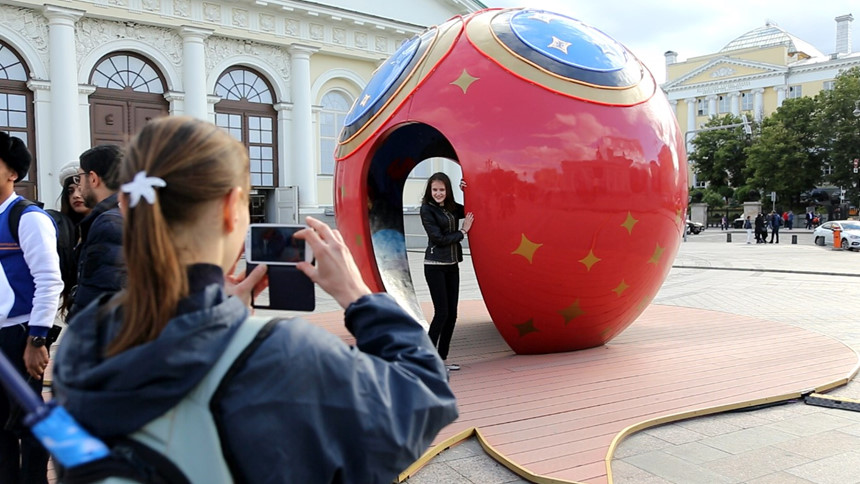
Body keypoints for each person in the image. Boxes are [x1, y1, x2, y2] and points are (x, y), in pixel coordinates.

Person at [53, 116, 457, 483]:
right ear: (232, 208)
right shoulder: (288, 354)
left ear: (126, 205)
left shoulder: (79, 343)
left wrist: (219, 313)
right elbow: (423, 395)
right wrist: (357, 296)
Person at [0, 132, 63, 484]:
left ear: (12, 173)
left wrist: (37, 339)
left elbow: (50, 281)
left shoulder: (27, 218)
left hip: (19, 334)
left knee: (28, 422)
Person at [420, 172, 474, 371]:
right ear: (430, 190)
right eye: (435, 190)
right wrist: (463, 232)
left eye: (442, 190)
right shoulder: (426, 209)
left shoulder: (450, 207)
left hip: (452, 266)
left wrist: (466, 191)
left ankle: (441, 359)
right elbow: (438, 239)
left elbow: (469, 209)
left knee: (452, 314)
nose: (438, 193)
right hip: (434, 266)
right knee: (441, 313)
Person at [68, 144, 125, 320]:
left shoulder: (108, 223)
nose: (78, 187)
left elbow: (102, 294)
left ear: (93, 178)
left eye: (79, 178)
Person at [56, 162, 91, 317]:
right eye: (70, 191)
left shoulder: (109, 224)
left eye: (80, 189)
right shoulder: (64, 230)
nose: (76, 195)